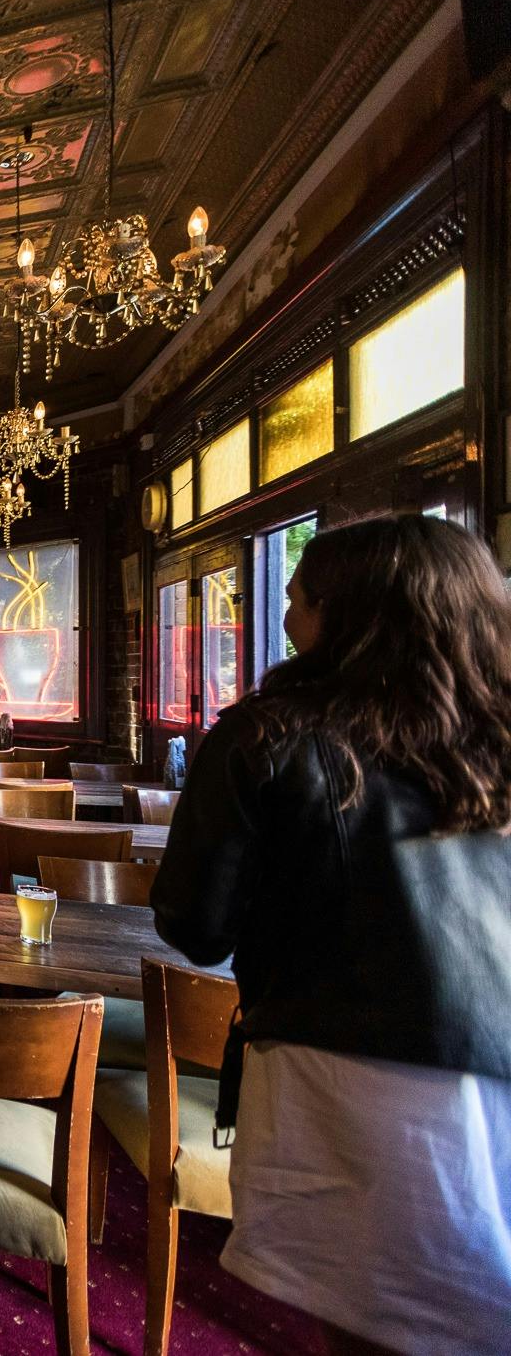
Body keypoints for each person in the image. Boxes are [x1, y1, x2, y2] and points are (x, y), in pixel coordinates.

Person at [151, 516, 511, 1356]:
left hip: (348, 1076)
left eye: (294, 597)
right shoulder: (491, 735)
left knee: (380, 1330)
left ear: (344, 614)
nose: (281, 616)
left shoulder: (266, 735)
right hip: (494, 1066)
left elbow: (196, 929)